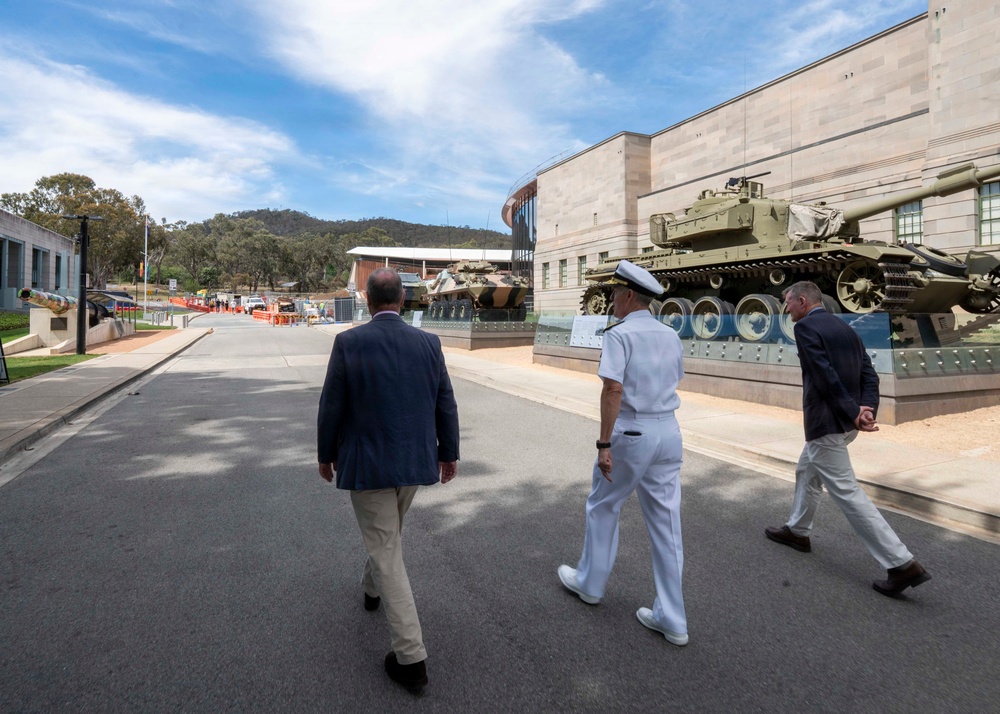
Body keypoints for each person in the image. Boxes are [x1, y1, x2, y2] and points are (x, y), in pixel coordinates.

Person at [317, 268, 460, 691]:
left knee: (386, 546)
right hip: (414, 464)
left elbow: (331, 406)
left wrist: (326, 456)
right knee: (387, 537)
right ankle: (370, 589)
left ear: (366, 299)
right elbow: (445, 401)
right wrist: (448, 454)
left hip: (367, 466)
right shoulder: (429, 342)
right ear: (401, 299)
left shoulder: (349, 342)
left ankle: (411, 656)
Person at [765, 280, 930, 597]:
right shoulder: (845, 326)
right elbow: (869, 372)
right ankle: (797, 531)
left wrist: (854, 410)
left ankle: (901, 563)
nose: (785, 309)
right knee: (806, 470)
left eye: (787, 303)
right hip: (847, 421)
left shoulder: (805, 329)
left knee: (847, 492)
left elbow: (823, 375)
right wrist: (867, 410)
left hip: (827, 422)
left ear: (802, 301)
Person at [558, 260, 689, 646]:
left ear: (629, 295)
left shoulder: (619, 334)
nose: (612, 299)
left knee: (603, 505)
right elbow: (675, 378)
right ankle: (673, 618)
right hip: (669, 431)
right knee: (667, 526)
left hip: (632, 431)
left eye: (615, 293)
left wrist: (603, 443)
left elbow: (613, 390)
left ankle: (590, 582)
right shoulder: (670, 334)